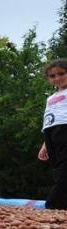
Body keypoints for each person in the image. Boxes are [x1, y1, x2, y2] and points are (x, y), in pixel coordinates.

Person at [39, 58, 67, 209]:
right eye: (52, 76)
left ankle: (54, 204)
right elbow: (49, 121)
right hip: (51, 135)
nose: (57, 78)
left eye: (61, 74)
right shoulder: (50, 98)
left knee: (65, 169)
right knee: (58, 169)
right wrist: (44, 145)